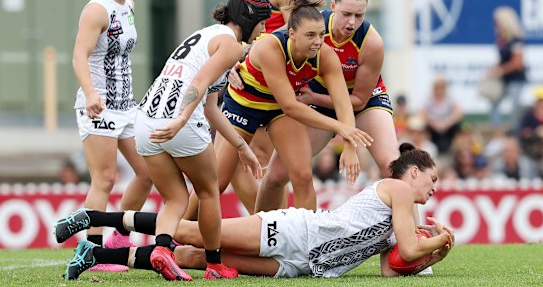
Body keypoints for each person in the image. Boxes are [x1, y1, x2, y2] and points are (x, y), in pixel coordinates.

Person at [59, 0, 271, 281]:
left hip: (145, 120)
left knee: (175, 198)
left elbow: (211, 107)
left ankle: (160, 248)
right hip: (172, 121)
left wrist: (239, 145)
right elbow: (199, 83)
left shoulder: (205, 35)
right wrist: (182, 118)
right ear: (248, 19)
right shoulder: (231, 46)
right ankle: (214, 264)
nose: (263, 31)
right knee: (209, 191)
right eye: (262, 23)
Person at [57, 143, 454, 279]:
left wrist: (435, 249)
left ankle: (97, 254)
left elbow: (391, 268)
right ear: (414, 173)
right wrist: (441, 241)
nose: (434, 189)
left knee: (192, 257)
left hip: (302, 266)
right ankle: (96, 219)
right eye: (432, 180)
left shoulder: (404, 211)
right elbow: (409, 245)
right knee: (191, 232)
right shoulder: (399, 190)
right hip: (297, 233)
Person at [255, 0, 399, 212]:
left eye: (359, 15)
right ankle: (256, 240)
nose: (352, 22)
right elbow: (267, 45)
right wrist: (237, 65)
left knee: (393, 167)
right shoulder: (311, 24)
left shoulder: (372, 43)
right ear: (332, 6)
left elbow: (357, 102)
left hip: (362, 102)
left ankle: (410, 238)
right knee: (276, 176)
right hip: (319, 98)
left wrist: (349, 144)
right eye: (346, 14)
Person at [183, 0, 298, 220]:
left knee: (263, 167)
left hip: (269, 89)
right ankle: (179, 235)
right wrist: (234, 59)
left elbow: (297, 31)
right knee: (224, 174)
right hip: (243, 89)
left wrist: (251, 55)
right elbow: (236, 31)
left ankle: (264, 236)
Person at [71, 0, 152, 272]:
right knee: (104, 179)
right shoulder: (97, 10)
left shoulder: (129, 4)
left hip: (127, 106)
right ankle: (92, 252)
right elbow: (79, 56)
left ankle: (119, 239)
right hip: (99, 105)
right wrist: (92, 93)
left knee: (147, 172)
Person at [486, 6, 527, 129]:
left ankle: (516, 134)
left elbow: (517, 63)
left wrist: (501, 70)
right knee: (494, 103)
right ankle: (498, 132)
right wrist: (494, 68)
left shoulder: (516, 40)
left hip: (516, 80)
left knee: (514, 109)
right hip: (504, 80)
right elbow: (504, 59)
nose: (495, 24)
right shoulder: (502, 40)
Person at [420, 75, 463, 155]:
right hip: (433, 127)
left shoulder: (450, 98)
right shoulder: (429, 98)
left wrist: (446, 123)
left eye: (441, 88)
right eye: (437, 88)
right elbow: (422, 112)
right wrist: (434, 123)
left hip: (447, 128)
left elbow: (458, 112)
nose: (439, 91)